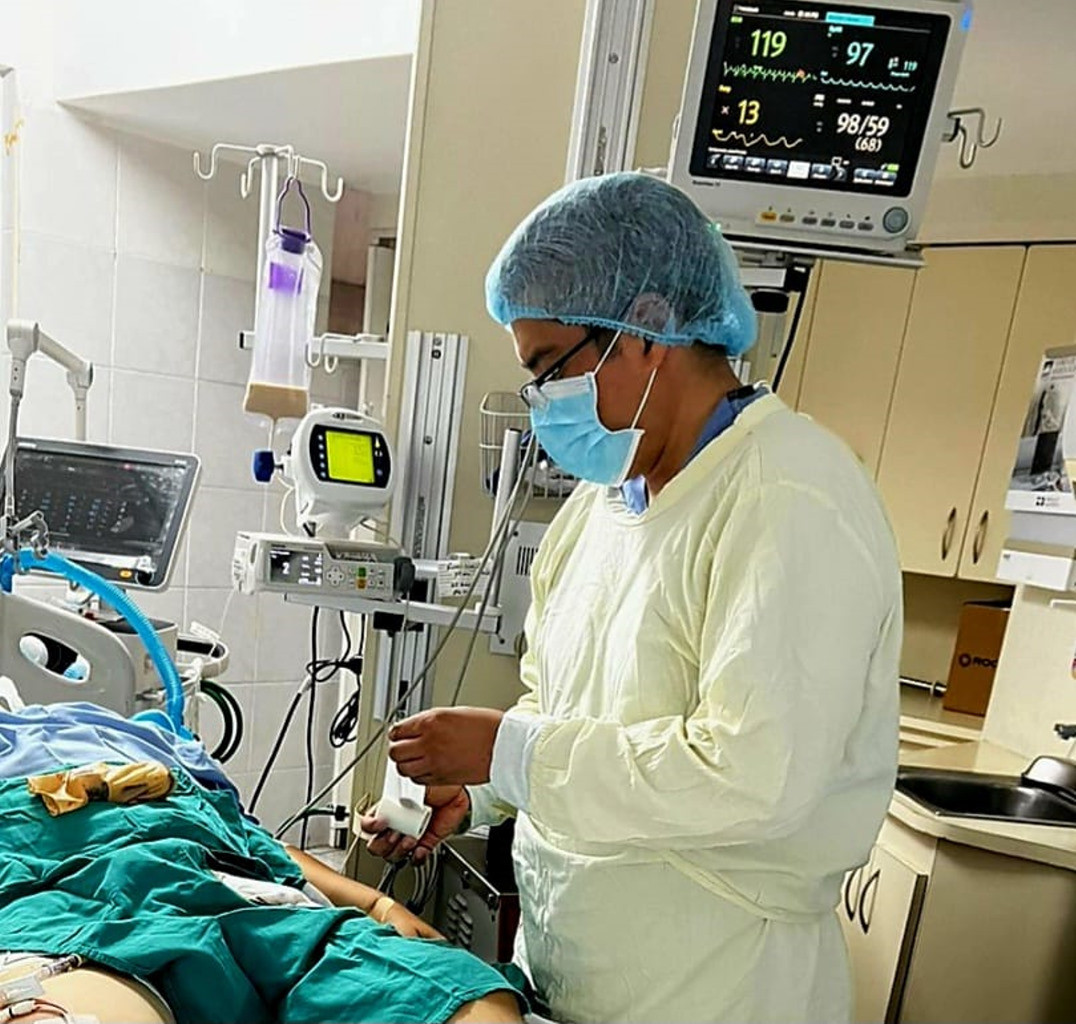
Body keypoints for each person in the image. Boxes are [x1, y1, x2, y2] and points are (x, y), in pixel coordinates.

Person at [362, 172, 902, 1023]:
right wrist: (481, 790)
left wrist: (509, 752)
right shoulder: (600, 509)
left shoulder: (788, 496)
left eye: (550, 367)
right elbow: (564, 709)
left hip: (716, 985)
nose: (543, 402)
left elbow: (753, 777)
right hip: (570, 968)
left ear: (646, 330)